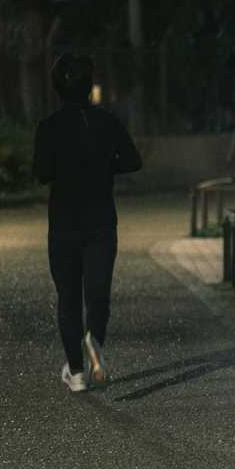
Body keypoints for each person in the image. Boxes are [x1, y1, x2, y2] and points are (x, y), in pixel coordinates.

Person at [33, 53, 142, 392]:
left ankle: (76, 373)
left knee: (67, 295)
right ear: (89, 85)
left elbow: (41, 173)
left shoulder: (49, 127)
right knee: (98, 293)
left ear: (56, 87)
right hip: (101, 221)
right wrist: (105, 166)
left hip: (64, 222)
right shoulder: (107, 122)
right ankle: (94, 338)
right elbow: (133, 161)